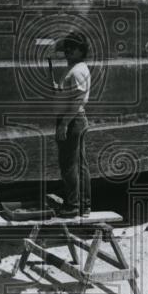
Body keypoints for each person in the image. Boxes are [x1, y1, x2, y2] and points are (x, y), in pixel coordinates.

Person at [50, 32, 91, 218]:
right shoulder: (77, 68)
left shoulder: (76, 71)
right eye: (66, 47)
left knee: (68, 165)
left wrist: (64, 124)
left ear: (81, 50)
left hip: (72, 120)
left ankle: (72, 206)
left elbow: (78, 99)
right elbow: (73, 95)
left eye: (72, 48)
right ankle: (83, 206)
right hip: (76, 119)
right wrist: (59, 89)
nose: (67, 51)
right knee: (80, 164)